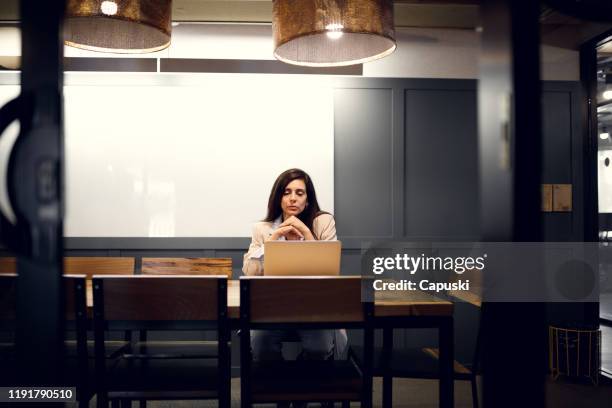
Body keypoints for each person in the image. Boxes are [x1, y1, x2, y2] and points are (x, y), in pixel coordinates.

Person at [242, 168, 347, 361]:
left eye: (299, 193)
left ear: (307, 200)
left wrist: (306, 234)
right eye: (286, 192)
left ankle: (302, 380)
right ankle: (276, 383)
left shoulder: (323, 222)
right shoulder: (262, 229)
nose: (293, 198)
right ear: (278, 198)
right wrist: (273, 240)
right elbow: (250, 272)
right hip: (272, 307)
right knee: (261, 346)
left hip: (313, 307)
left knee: (320, 348)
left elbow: (330, 271)